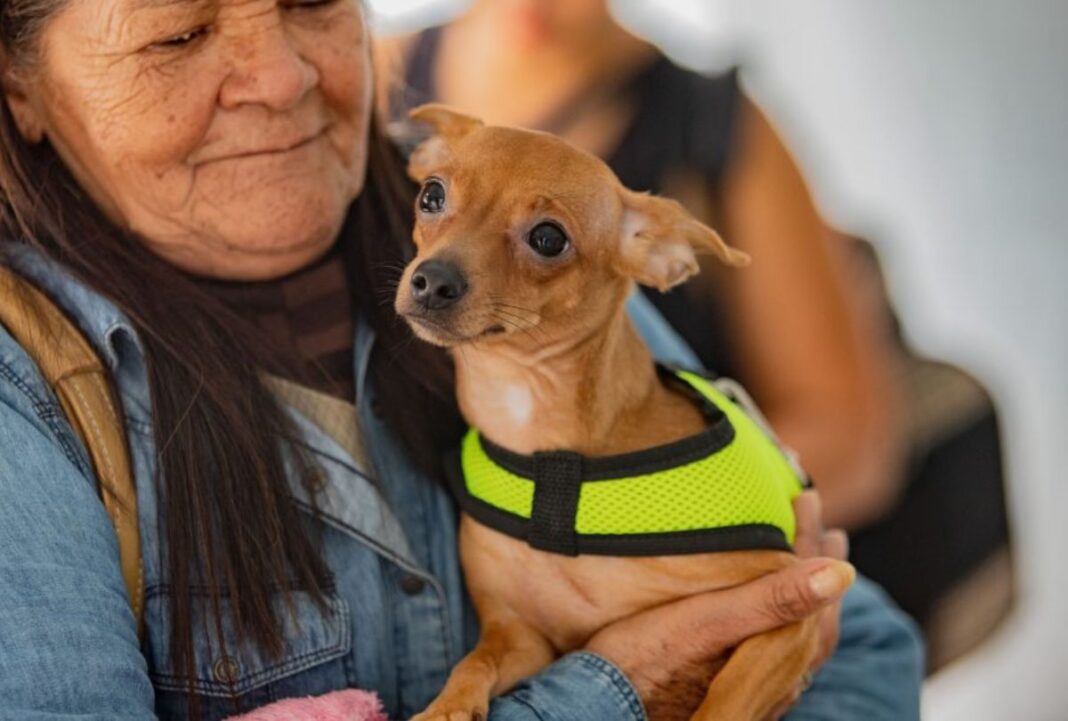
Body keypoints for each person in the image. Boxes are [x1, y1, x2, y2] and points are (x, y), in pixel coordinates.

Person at [0, 1, 922, 720]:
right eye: (180, 33)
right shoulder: (29, 387)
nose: (282, 77)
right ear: (21, 85)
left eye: (314, 4)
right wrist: (624, 686)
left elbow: (869, 653)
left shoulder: (544, 287)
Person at [380, 0, 906, 531]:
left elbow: (848, 444)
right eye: (434, 199)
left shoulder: (711, 130)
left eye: (545, 239)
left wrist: (617, 533)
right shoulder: (373, 80)